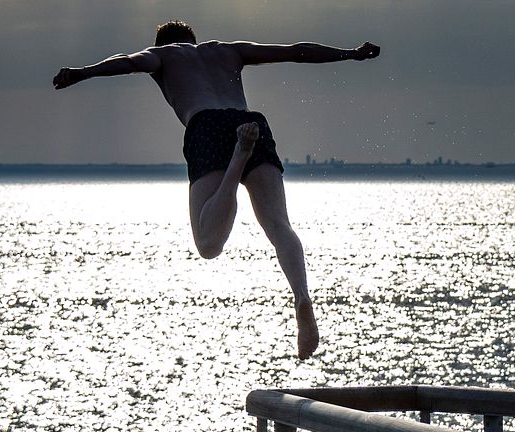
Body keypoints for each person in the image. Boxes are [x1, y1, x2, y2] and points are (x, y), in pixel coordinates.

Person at [53, 21, 380, 359]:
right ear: (194, 41)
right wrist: (350, 54)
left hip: (206, 124)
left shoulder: (162, 55)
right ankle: (301, 295)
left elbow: (128, 61)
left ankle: (239, 157)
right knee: (280, 227)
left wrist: (82, 72)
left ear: (164, 44)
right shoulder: (226, 50)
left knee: (208, 245)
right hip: (249, 122)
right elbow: (295, 51)